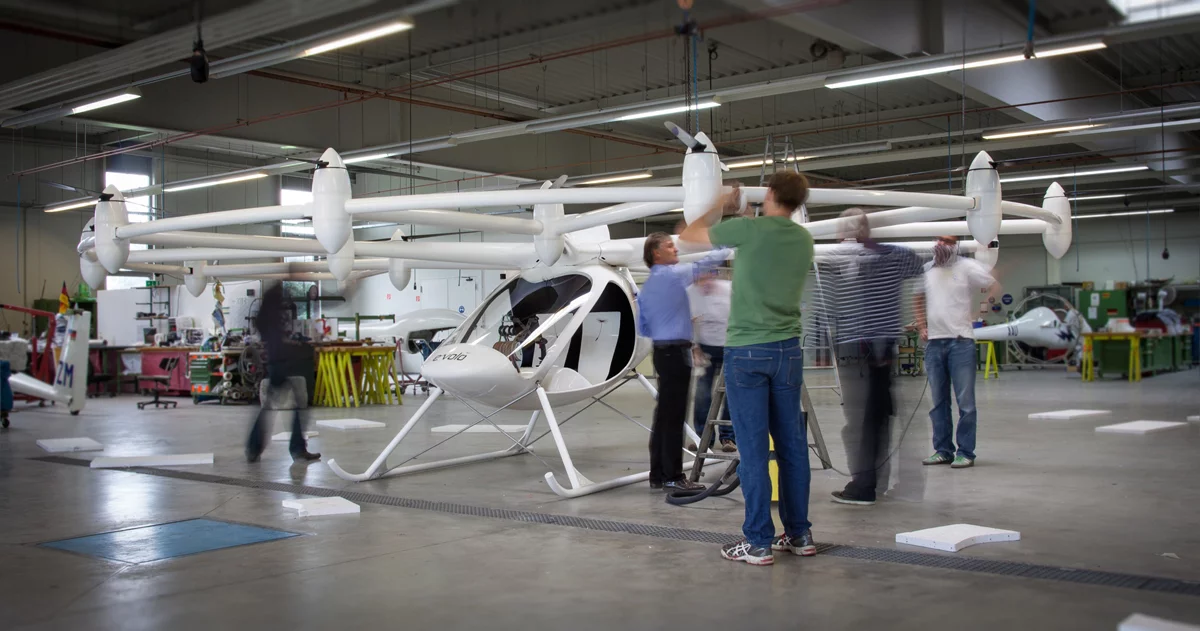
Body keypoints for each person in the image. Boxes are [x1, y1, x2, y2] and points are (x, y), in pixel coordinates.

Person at [680, 172, 816, 567]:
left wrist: (721, 205)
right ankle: (799, 534)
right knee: (792, 447)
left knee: (753, 450)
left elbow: (689, 235)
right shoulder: (803, 239)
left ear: (769, 194)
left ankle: (758, 542)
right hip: (788, 351)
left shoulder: (749, 231)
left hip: (747, 351)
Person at [817, 209, 925, 506]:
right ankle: (875, 482)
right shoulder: (894, 256)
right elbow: (921, 266)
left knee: (859, 422)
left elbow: (823, 282)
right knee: (877, 419)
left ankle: (863, 486)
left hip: (859, 350)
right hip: (882, 351)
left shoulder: (843, 257)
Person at [637, 233, 728, 492]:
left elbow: (643, 327)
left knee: (664, 416)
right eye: (669, 245)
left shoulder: (648, 287)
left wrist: (669, 321)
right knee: (674, 417)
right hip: (676, 353)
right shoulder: (672, 275)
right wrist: (726, 240)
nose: (675, 249)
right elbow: (707, 263)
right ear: (656, 253)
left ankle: (659, 475)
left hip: (661, 352)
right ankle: (673, 477)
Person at [914, 235, 995, 469]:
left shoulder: (967, 266)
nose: (941, 245)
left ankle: (966, 452)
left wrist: (981, 311)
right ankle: (943, 450)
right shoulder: (926, 270)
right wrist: (921, 325)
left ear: (955, 246)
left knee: (965, 402)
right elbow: (917, 298)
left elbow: (993, 285)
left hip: (961, 343)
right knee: (938, 402)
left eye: (947, 241)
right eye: (938, 240)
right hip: (934, 344)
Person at [246, 282, 320, 463]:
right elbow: (277, 338)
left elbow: (272, 336)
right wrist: (294, 345)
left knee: (272, 408)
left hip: (277, 361)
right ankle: (296, 449)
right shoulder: (273, 311)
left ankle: (254, 448)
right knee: (300, 405)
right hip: (285, 362)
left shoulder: (267, 314)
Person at [686, 271, 736, 452]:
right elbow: (687, 322)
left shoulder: (729, 290)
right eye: (700, 279)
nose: (704, 283)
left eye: (707, 277)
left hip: (730, 346)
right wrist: (694, 347)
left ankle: (728, 437)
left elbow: (741, 316)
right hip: (704, 348)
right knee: (702, 395)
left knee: (731, 394)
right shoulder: (690, 292)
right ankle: (703, 438)